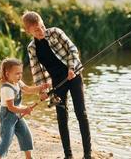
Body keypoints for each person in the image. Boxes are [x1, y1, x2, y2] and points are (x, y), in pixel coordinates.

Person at [23, 11, 92, 159]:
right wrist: (41, 89)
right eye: (36, 30)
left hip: (73, 75)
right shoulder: (32, 48)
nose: (41, 31)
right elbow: (36, 70)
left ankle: (87, 154)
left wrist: (72, 68)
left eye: (42, 26)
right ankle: (68, 155)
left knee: (81, 113)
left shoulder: (55, 32)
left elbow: (72, 49)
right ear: (28, 31)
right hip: (56, 83)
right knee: (62, 117)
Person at [0, 58, 49, 159]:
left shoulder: (18, 83)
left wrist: (41, 87)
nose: (20, 75)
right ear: (7, 74)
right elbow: (11, 107)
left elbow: (28, 89)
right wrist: (24, 110)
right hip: (7, 116)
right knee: (6, 140)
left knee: (25, 134)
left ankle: (29, 157)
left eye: (21, 73)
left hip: (17, 113)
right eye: (17, 73)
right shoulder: (7, 88)